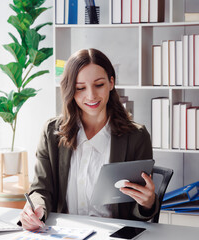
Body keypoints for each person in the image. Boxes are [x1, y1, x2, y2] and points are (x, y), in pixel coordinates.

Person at [19, 48, 159, 230]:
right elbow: (40, 189)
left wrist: (147, 203)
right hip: (64, 233)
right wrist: (36, 208)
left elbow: (138, 210)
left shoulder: (136, 137)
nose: (91, 95)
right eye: (80, 88)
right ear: (70, 90)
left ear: (111, 83)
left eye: (99, 85)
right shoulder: (51, 132)